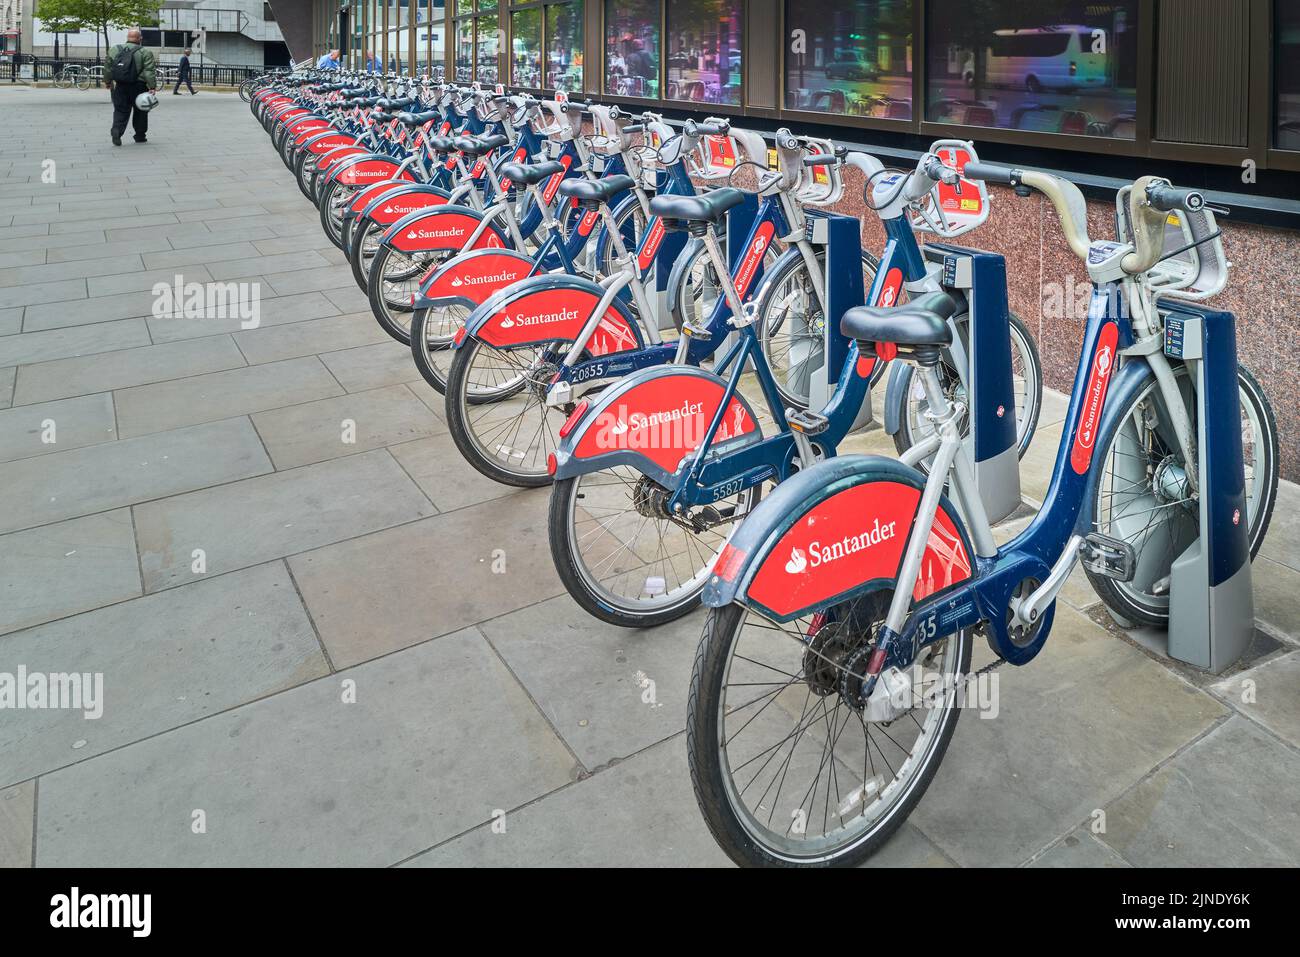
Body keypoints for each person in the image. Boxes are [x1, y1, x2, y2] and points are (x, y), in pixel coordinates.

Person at [105, 28, 157, 146]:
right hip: (139, 86)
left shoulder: (114, 49)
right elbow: (149, 71)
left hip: (121, 85)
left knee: (120, 110)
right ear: (140, 38)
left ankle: (117, 130)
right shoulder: (145, 52)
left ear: (127, 37)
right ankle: (139, 136)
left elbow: (107, 67)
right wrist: (152, 86)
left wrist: (108, 81)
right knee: (140, 111)